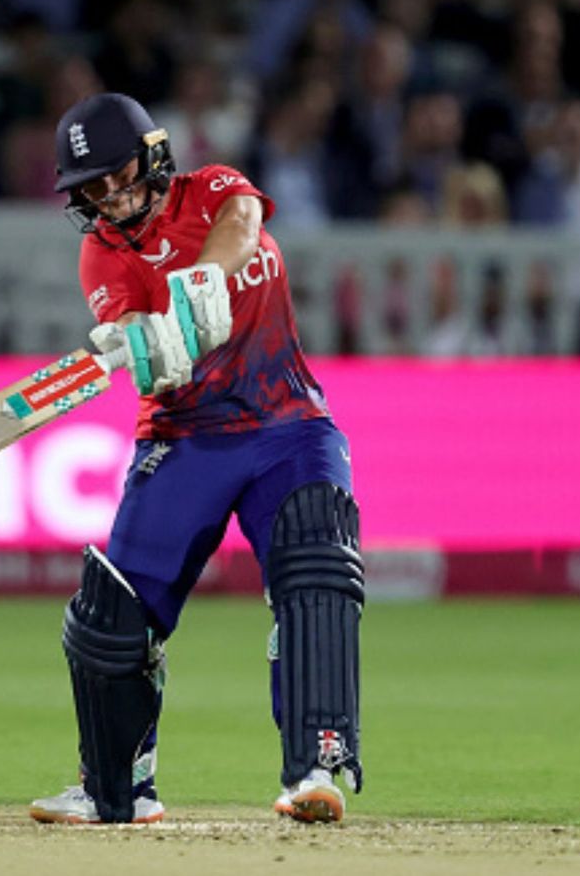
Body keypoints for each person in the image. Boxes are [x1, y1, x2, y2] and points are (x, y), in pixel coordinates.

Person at [28, 93, 365, 826]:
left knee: (316, 570)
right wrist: (146, 345)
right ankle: (113, 788)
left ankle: (316, 767)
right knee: (110, 617)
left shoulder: (212, 189)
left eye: (118, 176)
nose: (110, 199)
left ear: (152, 158)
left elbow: (244, 222)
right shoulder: (102, 253)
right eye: (91, 188)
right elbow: (141, 346)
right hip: (184, 438)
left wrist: (198, 280)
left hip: (290, 426)